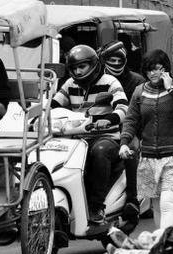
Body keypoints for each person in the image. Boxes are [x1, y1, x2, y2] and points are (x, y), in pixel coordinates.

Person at [118, 49, 173, 229]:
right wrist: (124, 143)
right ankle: (161, 244)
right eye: (150, 69)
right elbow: (131, 119)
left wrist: (170, 89)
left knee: (167, 203)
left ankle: (163, 243)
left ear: (166, 70)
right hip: (149, 157)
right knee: (156, 206)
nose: (154, 73)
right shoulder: (140, 91)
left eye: (158, 69)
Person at [51, 45, 128, 224]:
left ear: (93, 65)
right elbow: (54, 106)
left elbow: (124, 107)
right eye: (74, 68)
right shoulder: (70, 83)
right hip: (76, 139)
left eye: (82, 67)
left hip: (106, 138)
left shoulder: (110, 82)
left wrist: (109, 119)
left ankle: (96, 206)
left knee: (99, 152)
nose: (77, 71)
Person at [98, 40, 145, 226]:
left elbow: (137, 115)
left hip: (128, 130)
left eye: (120, 60)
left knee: (131, 150)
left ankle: (132, 199)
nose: (116, 64)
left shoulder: (137, 81)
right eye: (112, 60)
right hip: (97, 130)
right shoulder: (97, 80)